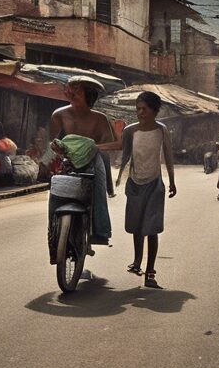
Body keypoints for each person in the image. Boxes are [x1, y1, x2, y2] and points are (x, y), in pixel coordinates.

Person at [106, 91, 177, 289]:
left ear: (155, 111)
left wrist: (172, 181)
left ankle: (151, 272)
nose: (140, 113)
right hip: (135, 184)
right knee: (137, 227)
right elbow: (123, 150)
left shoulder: (161, 130)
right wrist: (97, 147)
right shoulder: (130, 131)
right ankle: (137, 262)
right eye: (138, 109)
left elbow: (168, 156)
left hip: (155, 184)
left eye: (144, 109)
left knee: (152, 229)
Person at [48, 76, 116, 246]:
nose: (71, 93)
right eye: (70, 89)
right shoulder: (59, 114)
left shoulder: (100, 119)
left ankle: (100, 232)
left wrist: (91, 147)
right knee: (55, 194)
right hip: (67, 160)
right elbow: (52, 143)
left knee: (97, 191)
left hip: (93, 161)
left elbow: (109, 145)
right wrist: (53, 154)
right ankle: (53, 235)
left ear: (89, 95)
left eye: (77, 90)